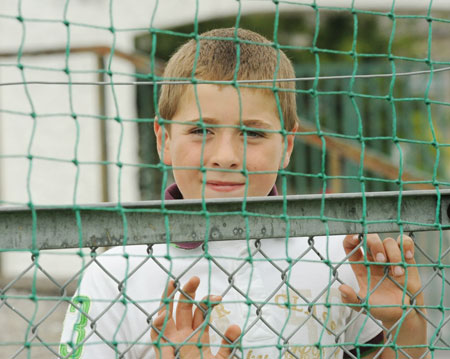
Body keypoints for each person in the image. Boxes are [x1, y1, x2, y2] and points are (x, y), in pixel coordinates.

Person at [60, 28, 428, 359]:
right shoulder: (116, 271)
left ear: (287, 145)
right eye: (201, 130)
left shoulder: (336, 252)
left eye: (253, 133)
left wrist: (407, 325)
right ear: (164, 139)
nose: (225, 157)